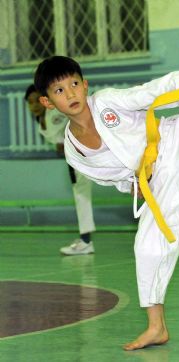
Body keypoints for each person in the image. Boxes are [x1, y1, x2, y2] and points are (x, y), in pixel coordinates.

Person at [33, 25, 179, 350]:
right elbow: (112, 177)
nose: (71, 94)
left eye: (74, 84)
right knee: (146, 247)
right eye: (60, 91)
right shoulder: (75, 153)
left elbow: (148, 92)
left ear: (85, 84)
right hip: (159, 179)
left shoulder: (106, 103)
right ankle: (156, 327)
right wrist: (133, 185)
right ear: (49, 103)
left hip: (174, 139)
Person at [24, 85, 96, 256]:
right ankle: (85, 241)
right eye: (30, 102)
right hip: (77, 158)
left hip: (86, 152)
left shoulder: (55, 113)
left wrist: (66, 140)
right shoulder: (41, 121)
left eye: (36, 101)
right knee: (81, 194)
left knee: (82, 194)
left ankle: (86, 241)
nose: (34, 105)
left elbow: (77, 118)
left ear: (45, 101)